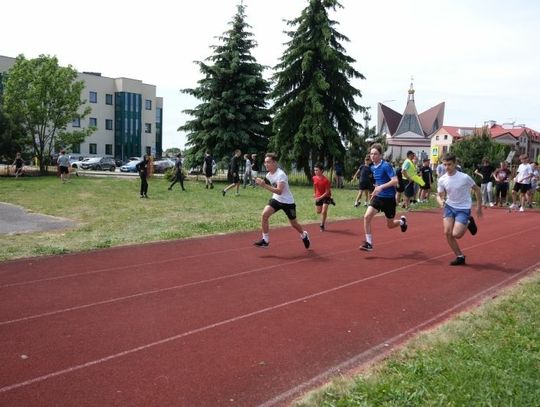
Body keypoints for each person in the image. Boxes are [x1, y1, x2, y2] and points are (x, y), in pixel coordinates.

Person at [253, 153, 310, 249]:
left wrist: (264, 185)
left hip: (288, 202)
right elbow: (267, 184)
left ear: (274, 163)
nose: (266, 164)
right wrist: (259, 181)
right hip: (276, 199)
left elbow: (279, 191)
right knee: (264, 215)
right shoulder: (268, 174)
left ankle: (304, 234)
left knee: (294, 224)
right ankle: (265, 240)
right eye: (265, 162)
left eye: (268, 162)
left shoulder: (281, 175)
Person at [436, 153, 482, 266]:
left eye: (449, 164)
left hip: (463, 208)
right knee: (447, 232)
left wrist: (479, 207)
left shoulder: (464, 177)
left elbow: (477, 190)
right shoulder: (442, 179)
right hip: (449, 206)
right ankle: (460, 256)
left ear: (455, 164)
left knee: (456, 234)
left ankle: (469, 221)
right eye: (445, 165)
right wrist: (440, 201)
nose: (447, 167)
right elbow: (439, 195)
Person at [360, 143, 408, 252]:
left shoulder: (386, 166)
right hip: (378, 198)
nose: (373, 156)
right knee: (367, 217)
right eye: (371, 154)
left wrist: (381, 187)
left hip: (389, 199)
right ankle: (369, 243)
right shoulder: (372, 168)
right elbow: (378, 181)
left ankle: (402, 222)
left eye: (375, 154)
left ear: (381, 155)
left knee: (390, 225)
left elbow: (395, 181)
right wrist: (376, 188)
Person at [312, 163, 335, 231]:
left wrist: (321, 197)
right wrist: (314, 193)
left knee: (323, 211)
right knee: (318, 212)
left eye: (317, 170)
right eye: (314, 170)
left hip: (326, 196)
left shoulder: (326, 180)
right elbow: (314, 185)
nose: (315, 172)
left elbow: (327, 192)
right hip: (318, 196)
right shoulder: (314, 178)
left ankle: (322, 225)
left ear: (322, 171)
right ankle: (331, 200)